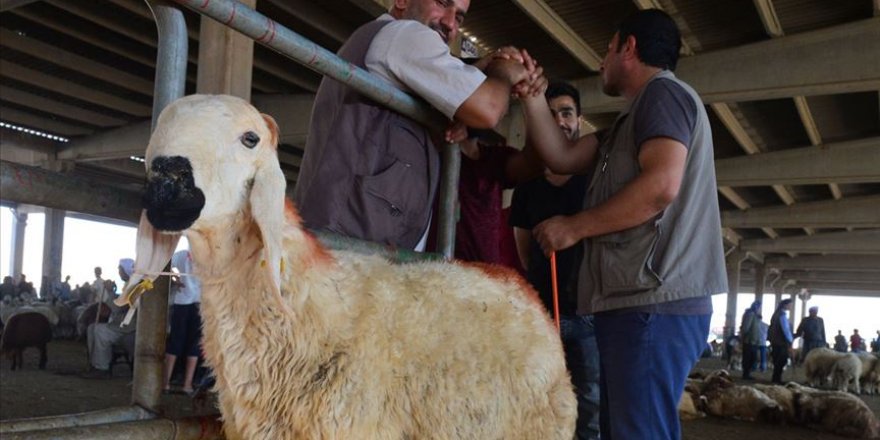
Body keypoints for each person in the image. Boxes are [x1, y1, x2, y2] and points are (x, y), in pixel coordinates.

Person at [517, 10, 724, 439]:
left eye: (607, 50)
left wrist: (574, 227)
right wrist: (531, 95)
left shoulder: (663, 97)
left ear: (628, 47)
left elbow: (660, 186)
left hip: (653, 301)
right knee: (624, 428)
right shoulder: (626, 126)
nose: (601, 63)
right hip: (634, 301)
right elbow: (560, 156)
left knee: (638, 431)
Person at [292, 0, 535, 251]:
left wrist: (477, 72)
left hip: (349, 244)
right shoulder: (406, 34)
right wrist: (504, 71)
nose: (450, 23)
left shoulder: (387, 43)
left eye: (459, 17)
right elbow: (489, 108)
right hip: (348, 248)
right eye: (442, 3)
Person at [509, 81, 599, 440]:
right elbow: (524, 249)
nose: (559, 120)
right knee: (539, 395)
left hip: (590, 312)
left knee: (591, 398)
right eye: (549, 114)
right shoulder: (527, 186)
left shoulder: (594, 181)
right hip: (544, 314)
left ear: (579, 120)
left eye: (566, 112)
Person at [81, 259, 137, 379]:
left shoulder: (134, 286)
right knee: (91, 328)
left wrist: (110, 292)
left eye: (120, 269)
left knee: (100, 331)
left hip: (128, 327)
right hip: (122, 324)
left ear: (125, 270)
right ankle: (94, 363)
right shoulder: (128, 285)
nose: (118, 272)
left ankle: (102, 368)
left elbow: (117, 307)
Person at [162, 250, 203, 395]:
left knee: (176, 342)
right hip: (198, 303)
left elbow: (167, 264)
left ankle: (166, 383)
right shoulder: (207, 252)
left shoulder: (181, 254)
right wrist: (175, 279)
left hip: (185, 302)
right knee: (193, 344)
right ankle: (186, 385)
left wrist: (175, 280)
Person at [768, 299, 794, 384]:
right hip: (781, 342)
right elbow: (785, 329)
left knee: (777, 360)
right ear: (785, 305)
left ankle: (775, 378)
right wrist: (790, 340)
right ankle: (777, 379)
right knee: (781, 360)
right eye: (790, 305)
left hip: (775, 341)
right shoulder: (782, 315)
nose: (790, 307)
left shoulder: (776, 314)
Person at [739, 301, 762, 380]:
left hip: (754, 341)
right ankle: (746, 374)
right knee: (748, 358)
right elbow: (746, 327)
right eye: (759, 308)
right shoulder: (750, 315)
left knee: (752, 358)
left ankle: (747, 373)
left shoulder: (755, 316)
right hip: (749, 341)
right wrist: (743, 338)